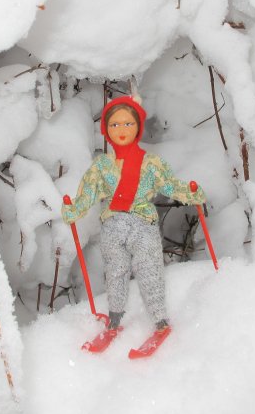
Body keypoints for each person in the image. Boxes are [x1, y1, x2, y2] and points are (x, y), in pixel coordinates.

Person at [61, 95, 206, 338]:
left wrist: (189, 193)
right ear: (106, 129)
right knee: (115, 272)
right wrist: (74, 209)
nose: (121, 129)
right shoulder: (101, 166)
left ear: (138, 127)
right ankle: (114, 320)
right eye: (114, 124)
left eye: (128, 123)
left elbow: (169, 186)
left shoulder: (151, 163)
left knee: (149, 269)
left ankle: (160, 320)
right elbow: (88, 194)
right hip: (112, 226)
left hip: (143, 224)